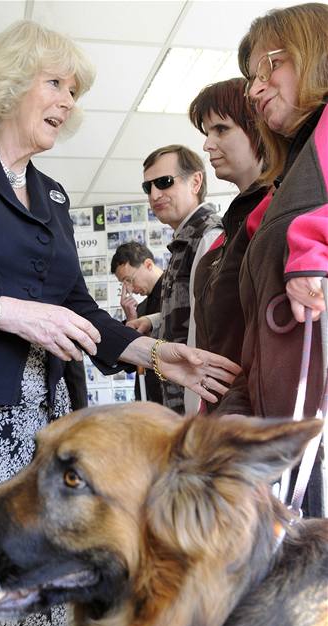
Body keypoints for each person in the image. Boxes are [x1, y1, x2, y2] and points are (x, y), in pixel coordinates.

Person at [0, 20, 241, 626]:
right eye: (57, 84)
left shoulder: (54, 195)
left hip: (37, 428)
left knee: (28, 591)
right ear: (10, 83)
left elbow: (79, 310)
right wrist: (4, 310)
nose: (69, 102)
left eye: (76, 92)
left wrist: (156, 353)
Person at [218, 3, 328, 515]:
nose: (256, 88)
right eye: (251, 78)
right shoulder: (284, 185)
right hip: (291, 437)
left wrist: (312, 240)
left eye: (272, 65)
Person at [186, 77, 270, 413]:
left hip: (256, 421)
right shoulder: (225, 236)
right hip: (222, 417)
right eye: (207, 132)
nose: (207, 145)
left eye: (221, 129)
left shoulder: (276, 219)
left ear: (259, 129)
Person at [129, 144, 223, 414]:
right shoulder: (186, 240)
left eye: (164, 182)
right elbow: (190, 309)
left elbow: (210, 327)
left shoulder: (209, 237)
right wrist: (152, 320)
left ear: (195, 181)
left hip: (198, 400)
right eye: (148, 187)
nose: (155, 194)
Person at [111, 241, 164, 403]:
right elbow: (130, 360)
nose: (130, 289)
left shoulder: (176, 293)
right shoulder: (140, 308)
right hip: (148, 395)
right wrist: (132, 319)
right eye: (124, 284)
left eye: (129, 280)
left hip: (173, 393)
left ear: (148, 264)